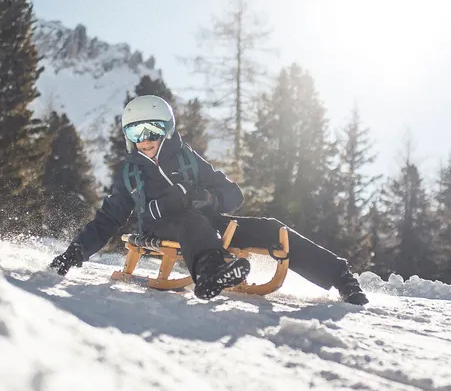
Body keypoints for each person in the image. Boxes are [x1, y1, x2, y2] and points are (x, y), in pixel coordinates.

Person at [50, 95, 368, 305]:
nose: (145, 140)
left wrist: (207, 197)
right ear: (128, 137)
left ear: (168, 130)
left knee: (272, 228)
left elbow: (234, 195)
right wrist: (74, 254)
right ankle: (210, 272)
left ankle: (339, 275)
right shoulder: (130, 173)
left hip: (211, 223)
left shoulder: (188, 159)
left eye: (153, 130)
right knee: (190, 221)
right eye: (136, 133)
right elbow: (107, 218)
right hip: (162, 227)